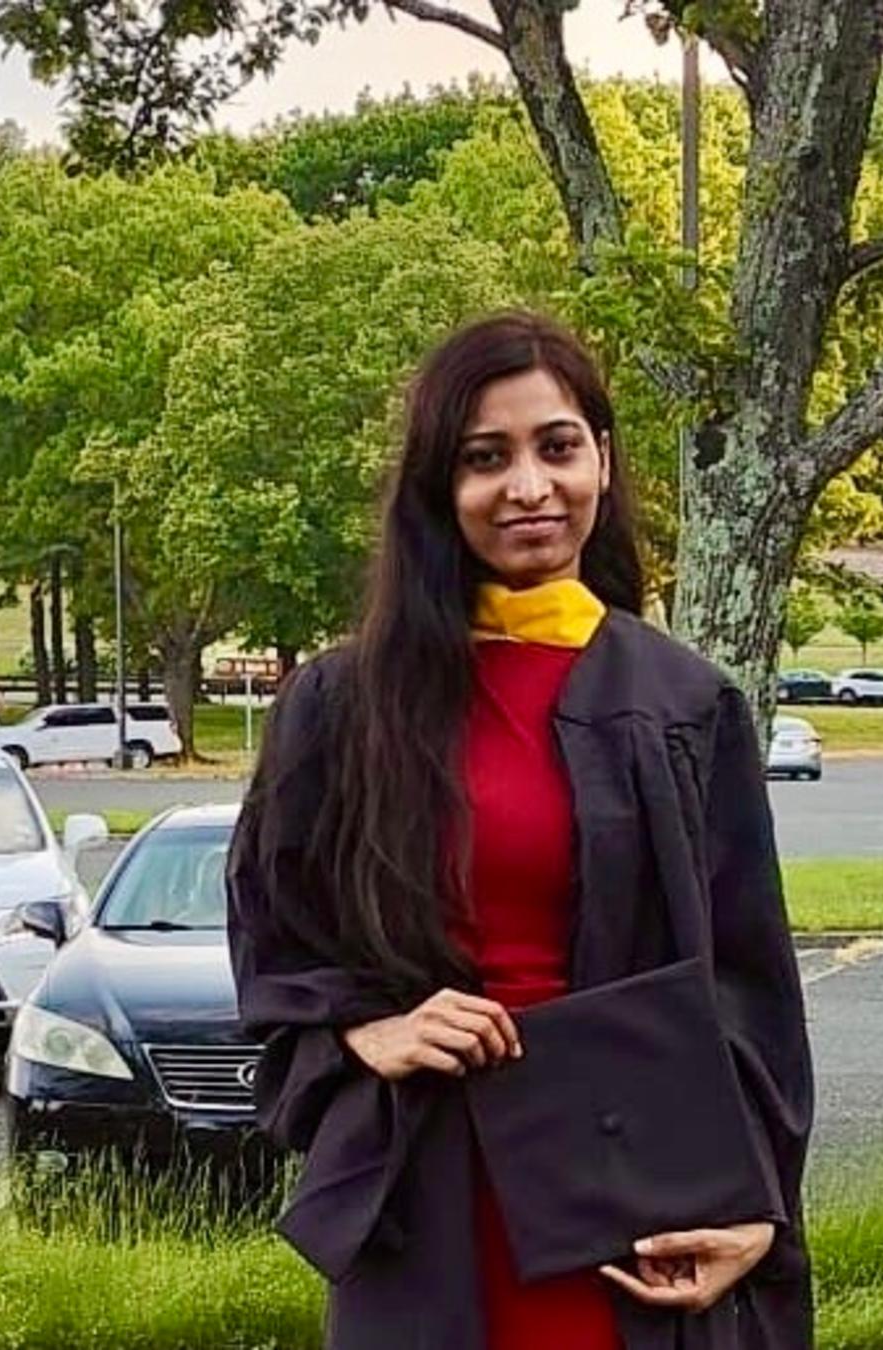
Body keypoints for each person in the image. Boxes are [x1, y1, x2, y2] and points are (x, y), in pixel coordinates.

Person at [227, 313, 814, 1350]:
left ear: (603, 459)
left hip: (632, 1200)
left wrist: (756, 1205)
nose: (529, 487)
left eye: (558, 446)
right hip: (428, 1185)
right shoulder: (345, 704)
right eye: (484, 459)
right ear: (437, 490)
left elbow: (748, 986)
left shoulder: (683, 705)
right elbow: (277, 937)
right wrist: (372, 1029)